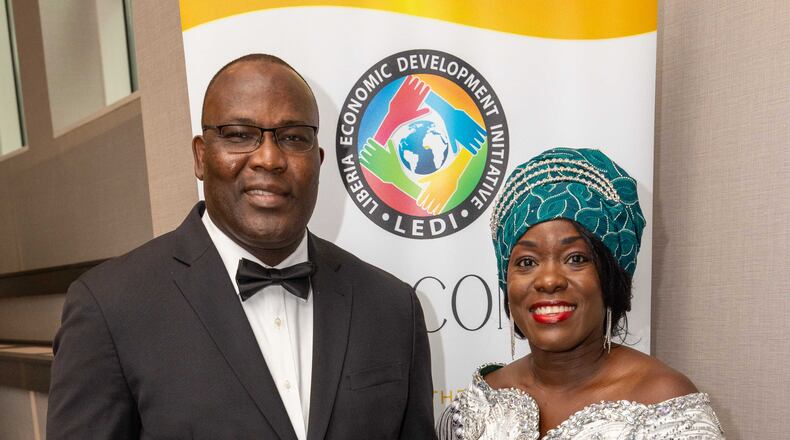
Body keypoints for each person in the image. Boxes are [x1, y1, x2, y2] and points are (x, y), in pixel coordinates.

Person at [48, 54, 436, 440]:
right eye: (239, 134)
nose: (269, 158)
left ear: (318, 162)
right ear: (201, 156)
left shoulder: (392, 308)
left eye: (293, 137)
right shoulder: (110, 308)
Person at [437, 148, 724, 439]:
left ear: (609, 277)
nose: (548, 280)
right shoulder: (478, 405)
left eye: (576, 258)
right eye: (527, 262)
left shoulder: (665, 404)